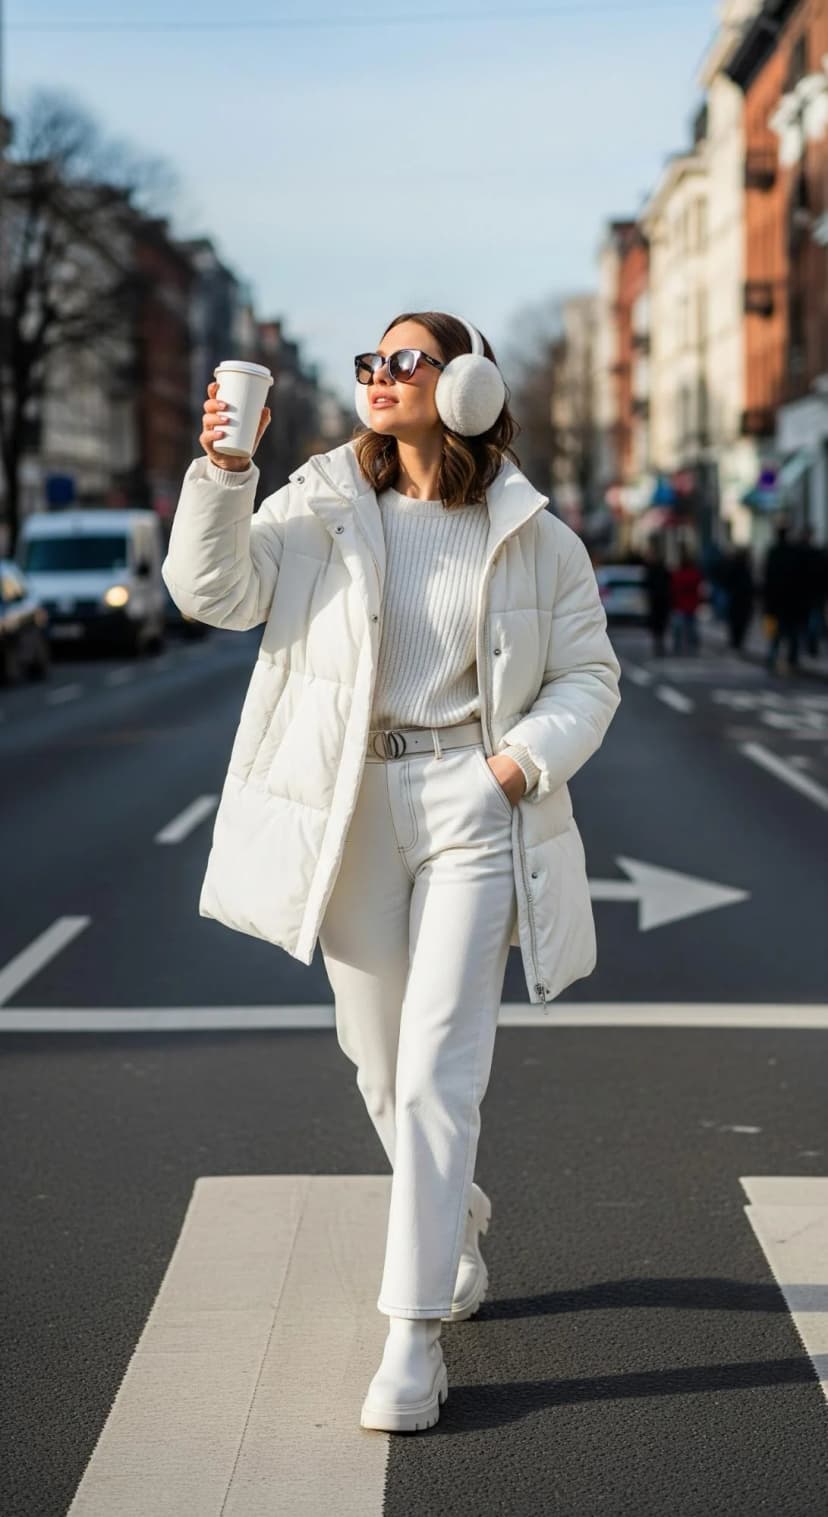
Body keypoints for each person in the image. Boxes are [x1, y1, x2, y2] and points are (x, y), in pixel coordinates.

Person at [161, 311, 621, 1434]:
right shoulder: (317, 502)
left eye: (403, 360)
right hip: (353, 808)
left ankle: (410, 1340)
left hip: (475, 802)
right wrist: (226, 469)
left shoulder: (535, 532)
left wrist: (513, 767)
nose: (379, 376)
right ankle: (452, 1214)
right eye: (370, 361)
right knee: (373, 1056)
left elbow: (591, 677)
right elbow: (210, 592)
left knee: (435, 1069)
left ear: (465, 382)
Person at [762, 521, 806, 673]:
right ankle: (792, 659)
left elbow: (768, 579)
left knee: (777, 634)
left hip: (777, 601)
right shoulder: (794, 553)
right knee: (792, 633)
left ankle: (772, 657)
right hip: (793, 601)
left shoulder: (773, 553)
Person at [669, 544, 703, 654]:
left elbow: (673, 588)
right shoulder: (694, 574)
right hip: (691, 605)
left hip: (680, 605)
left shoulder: (678, 574)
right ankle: (692, 646)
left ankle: (678, 646)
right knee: (691, 627)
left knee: (679, 628)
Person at [720, 544, 755, 652]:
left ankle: (736, 642)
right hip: (741, 599)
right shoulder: (743, 568)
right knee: (740, 622)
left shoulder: (735, 566)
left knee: (736, 622)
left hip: (737, 599)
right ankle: (737, 642)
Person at [642, 537, 672, 657]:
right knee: (658, 625)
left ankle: (659, 644)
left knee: (660, 624)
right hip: (657, 601)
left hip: (660, 601)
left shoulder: (656, 569)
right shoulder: (654, 569)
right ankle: (658, 644)